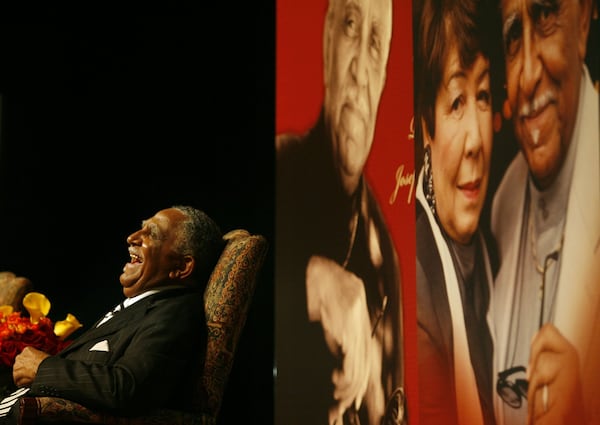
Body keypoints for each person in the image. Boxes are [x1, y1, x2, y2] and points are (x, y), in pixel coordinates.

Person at [274, 0, 405, 423]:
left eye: (376, 45)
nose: (360, 73)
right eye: (351, 26)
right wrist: (310, 283)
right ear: (328, 41)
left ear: (384, 75)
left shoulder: (385, 256)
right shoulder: (278, 170)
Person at [0, 205, 224, 424]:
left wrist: (42, 369)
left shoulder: (175, 311)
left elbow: (129, 388)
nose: (132, 237)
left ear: (182, 267)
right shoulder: (138, 306)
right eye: (141, 228)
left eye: (152, 234)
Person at [490, 0, 600, 423]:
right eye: (514, 37)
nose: (529, 75)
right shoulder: (502, 204)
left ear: (586, 23)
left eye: (547, 14)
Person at [413, 0, 501, 424]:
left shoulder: (498, 251)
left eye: (482, 96)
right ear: (426, 125)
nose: (474, 143)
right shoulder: (418, 284)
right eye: (455, 102)